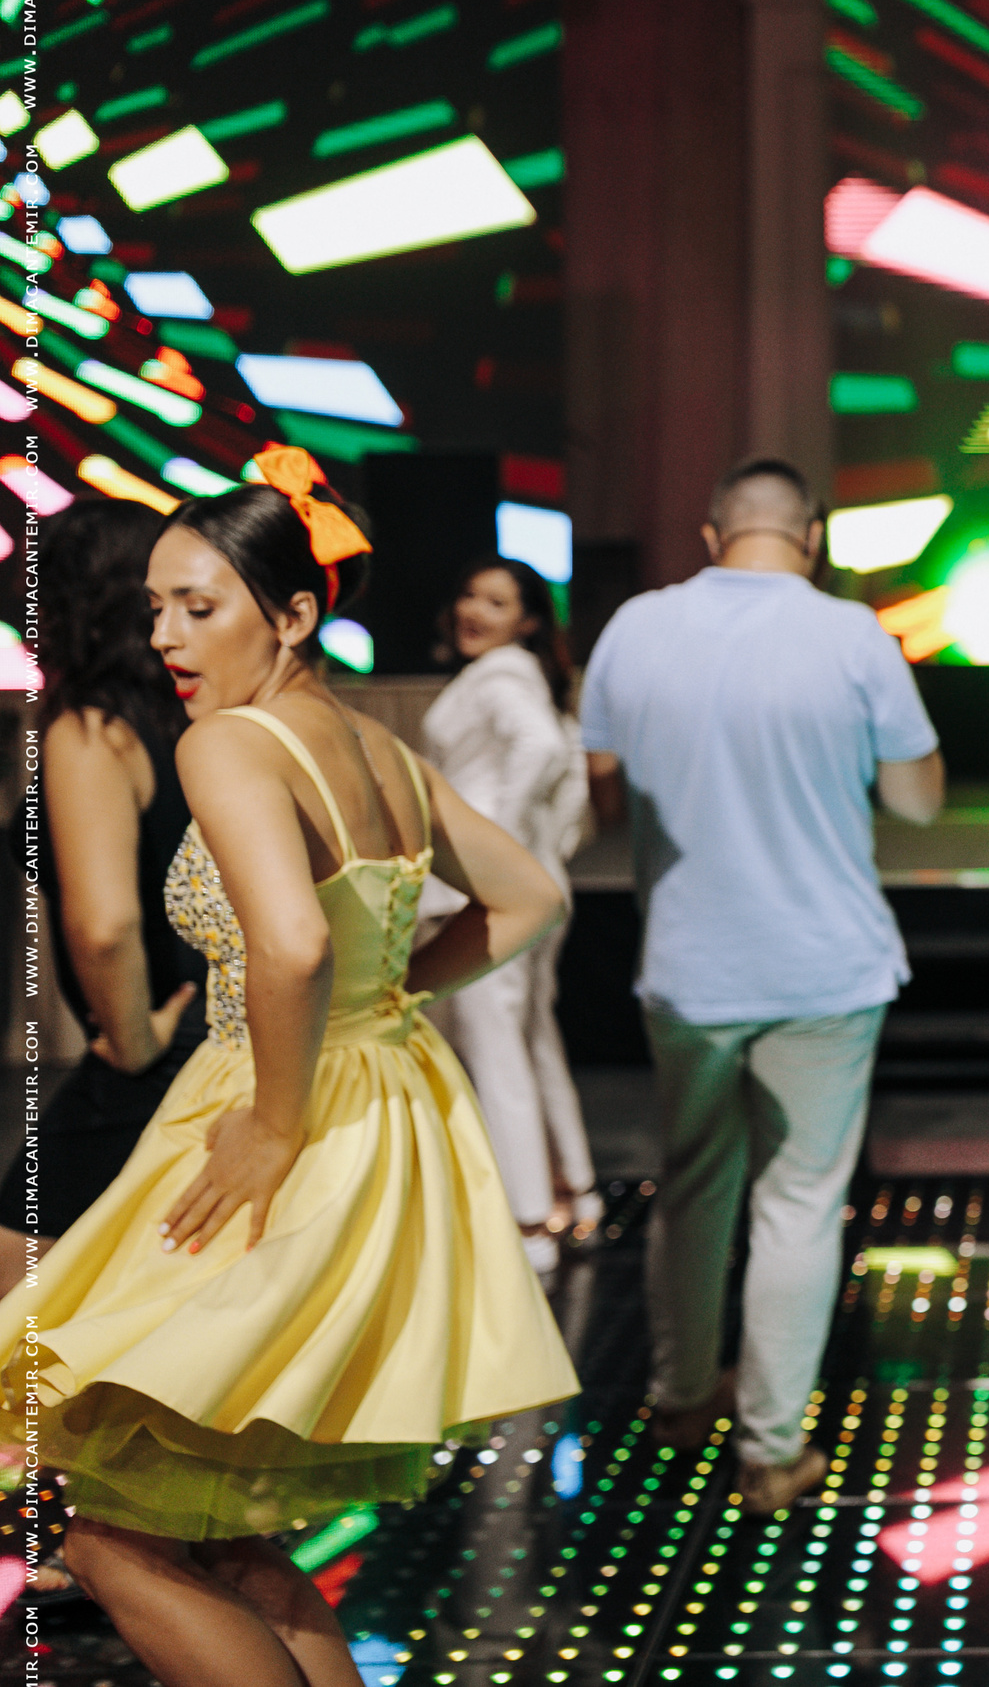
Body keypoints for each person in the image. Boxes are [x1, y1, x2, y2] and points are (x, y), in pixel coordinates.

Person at [3, 450, 577, 1684]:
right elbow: (532, 896)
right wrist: (390, 999)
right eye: (155, 607)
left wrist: (269, 1122)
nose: (165, 634)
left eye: (197, 606)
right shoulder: (374, 747)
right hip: (374, 1106)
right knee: (219, 1526)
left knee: (106, 1533)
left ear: (295, 614)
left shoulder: (228, 744)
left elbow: (296, 939)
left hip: (277, 1114)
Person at [582, 457, 944, 1515]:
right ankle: (772, 1451)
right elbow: (919, 801)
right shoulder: (853, 635)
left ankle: (680, 1398)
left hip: (688, 965)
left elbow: (603, 799)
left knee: (693, 1181)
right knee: (799, 1203)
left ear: (712, 535)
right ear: (812, 537)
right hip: (825, 965)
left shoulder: (634, 629)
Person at [14, 501, 205, 1261]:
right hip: (207, 1036)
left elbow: (105, 925)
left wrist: (131, 1043)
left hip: (153, 1048)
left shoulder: (93, 727)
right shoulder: (191, 716)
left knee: (17, 1272)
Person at [421, 556, 598, 1276]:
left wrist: (492, 843)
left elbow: (546, 749)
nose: (474, 610)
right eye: (469, 594)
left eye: (495, 602)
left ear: (526, 620)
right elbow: (570, 765)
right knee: (528, 1037)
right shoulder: (527, 675)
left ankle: (528, 1223)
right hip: (532, 885)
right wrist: (539, 845)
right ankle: (573, 1188)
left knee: (496, 1042)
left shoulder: (500, 676)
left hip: (489, 891)